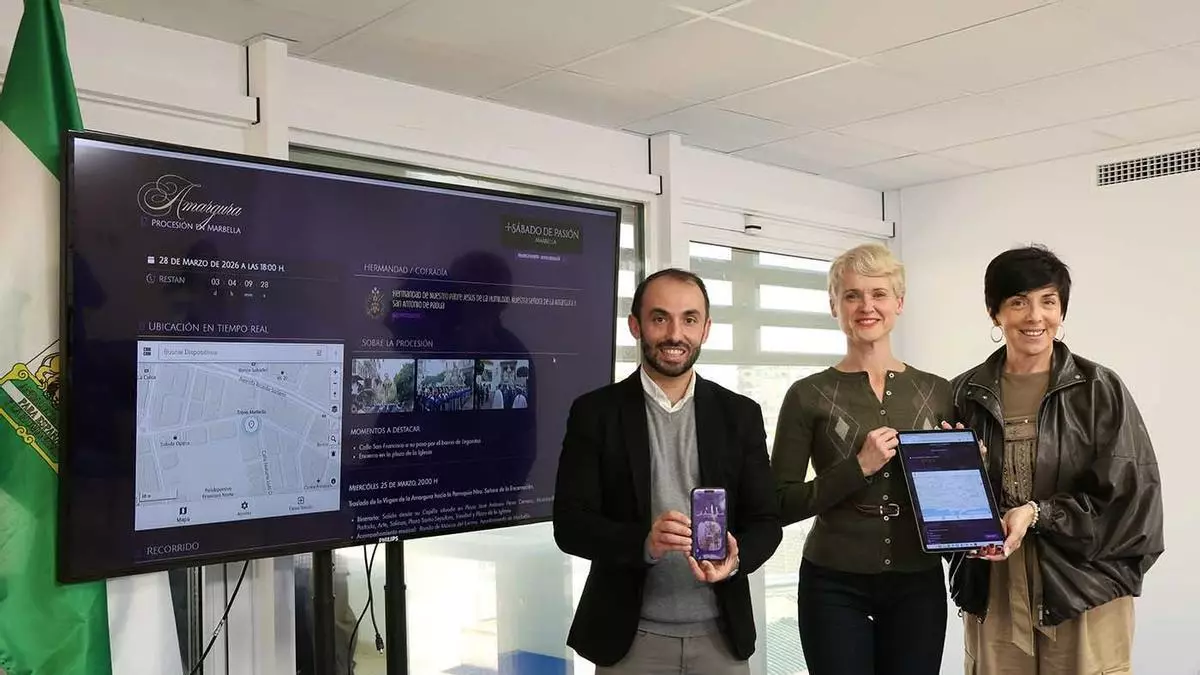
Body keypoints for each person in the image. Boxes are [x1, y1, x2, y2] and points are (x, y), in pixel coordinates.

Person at [553, 268, 782, 674]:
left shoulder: (739, 414)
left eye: (689, 319)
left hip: (722, 638)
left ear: (706, 329)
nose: (675, 334)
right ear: (635, 326)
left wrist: (735, 559)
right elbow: (570, 525)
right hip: (628, 639)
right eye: (660, 318)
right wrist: (644, 542)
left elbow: (766, 522)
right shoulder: (595, 413)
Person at [947, 245, 1164, 674]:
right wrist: (964, 474)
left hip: (1084, 591)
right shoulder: (962, 394)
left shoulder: (1099, 389)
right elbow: (946, 512)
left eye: (1048, 301)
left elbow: (1131, 504)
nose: (1035, 316)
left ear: (1061, 310)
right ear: (994, 313)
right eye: (1018, 302)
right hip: (996, 592)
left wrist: (1037, 513)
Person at [770, 243, 953, 675]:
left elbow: (947, 502)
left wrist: (966, 468)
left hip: (918, 583)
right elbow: (779, 503)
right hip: (832, 584)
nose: (866, 306)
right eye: (852, 295)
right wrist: (858, 468)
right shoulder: (807, 395)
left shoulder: (939, 391)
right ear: (834, 305)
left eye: (879, 294)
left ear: (899, 303)